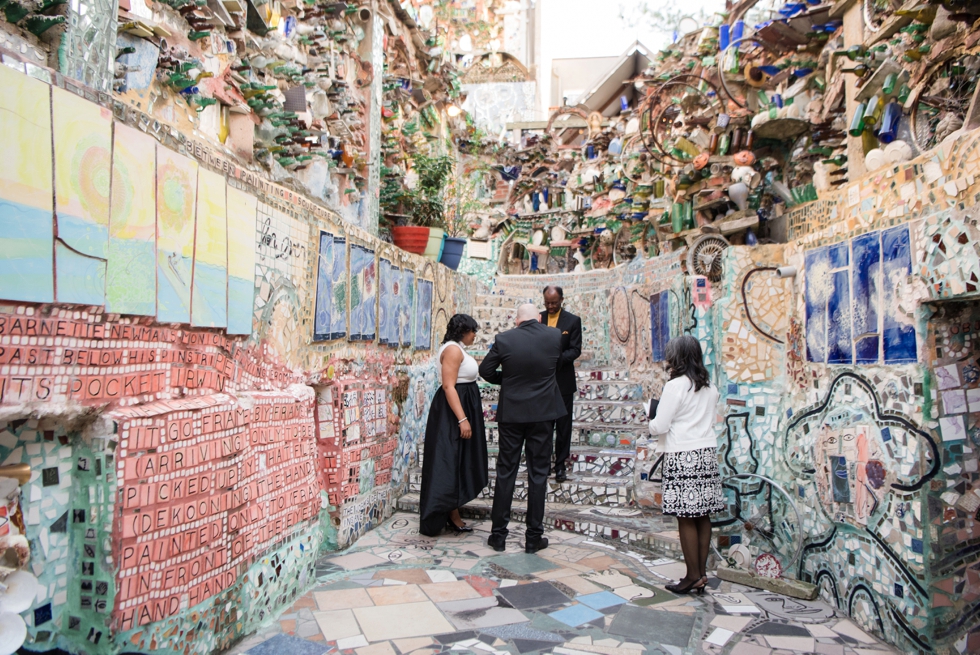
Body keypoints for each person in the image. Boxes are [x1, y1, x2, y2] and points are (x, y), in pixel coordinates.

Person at [479, 304, 566, 553]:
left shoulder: (504, 339)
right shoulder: (553, 335)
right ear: (539, 318)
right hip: (543, 413)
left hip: (513, 414)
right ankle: (533, 537)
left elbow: (485, 370)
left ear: (517, 320)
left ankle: (498, 536)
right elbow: (555, 365)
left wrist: (507, 380)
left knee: (506, 471)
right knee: (538, 474)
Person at [647, 335, 723, 594]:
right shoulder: (710, 386)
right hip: (706, 453)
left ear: (677, 358)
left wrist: (649, 419)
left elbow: (661, 425)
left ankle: (691, 575)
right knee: (702, 515)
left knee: (685, 516)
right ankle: (701, 573)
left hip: (683, 455)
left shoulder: (676, 386)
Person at [418, 314, 488, 537]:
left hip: (462, 404)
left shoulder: (456, 348)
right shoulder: (453, 350)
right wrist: (462, 419)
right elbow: (449, 386)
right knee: (447, 460)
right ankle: (449, 514)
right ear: (463, 331)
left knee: (457, 460)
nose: (475, 335)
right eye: (472, 331)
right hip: (453, 411)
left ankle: (451, 510)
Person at [540, 286, 582, 483]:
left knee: (563, 427)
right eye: (547, 302)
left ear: (562, 300)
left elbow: (575, 350)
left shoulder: (573, 321)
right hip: (542, 383)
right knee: (543, 425)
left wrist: (554, 360)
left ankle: (560, 466)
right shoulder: (538, 319)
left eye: (554, 303)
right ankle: (544, 463)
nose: (550, 306)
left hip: (563, 382)